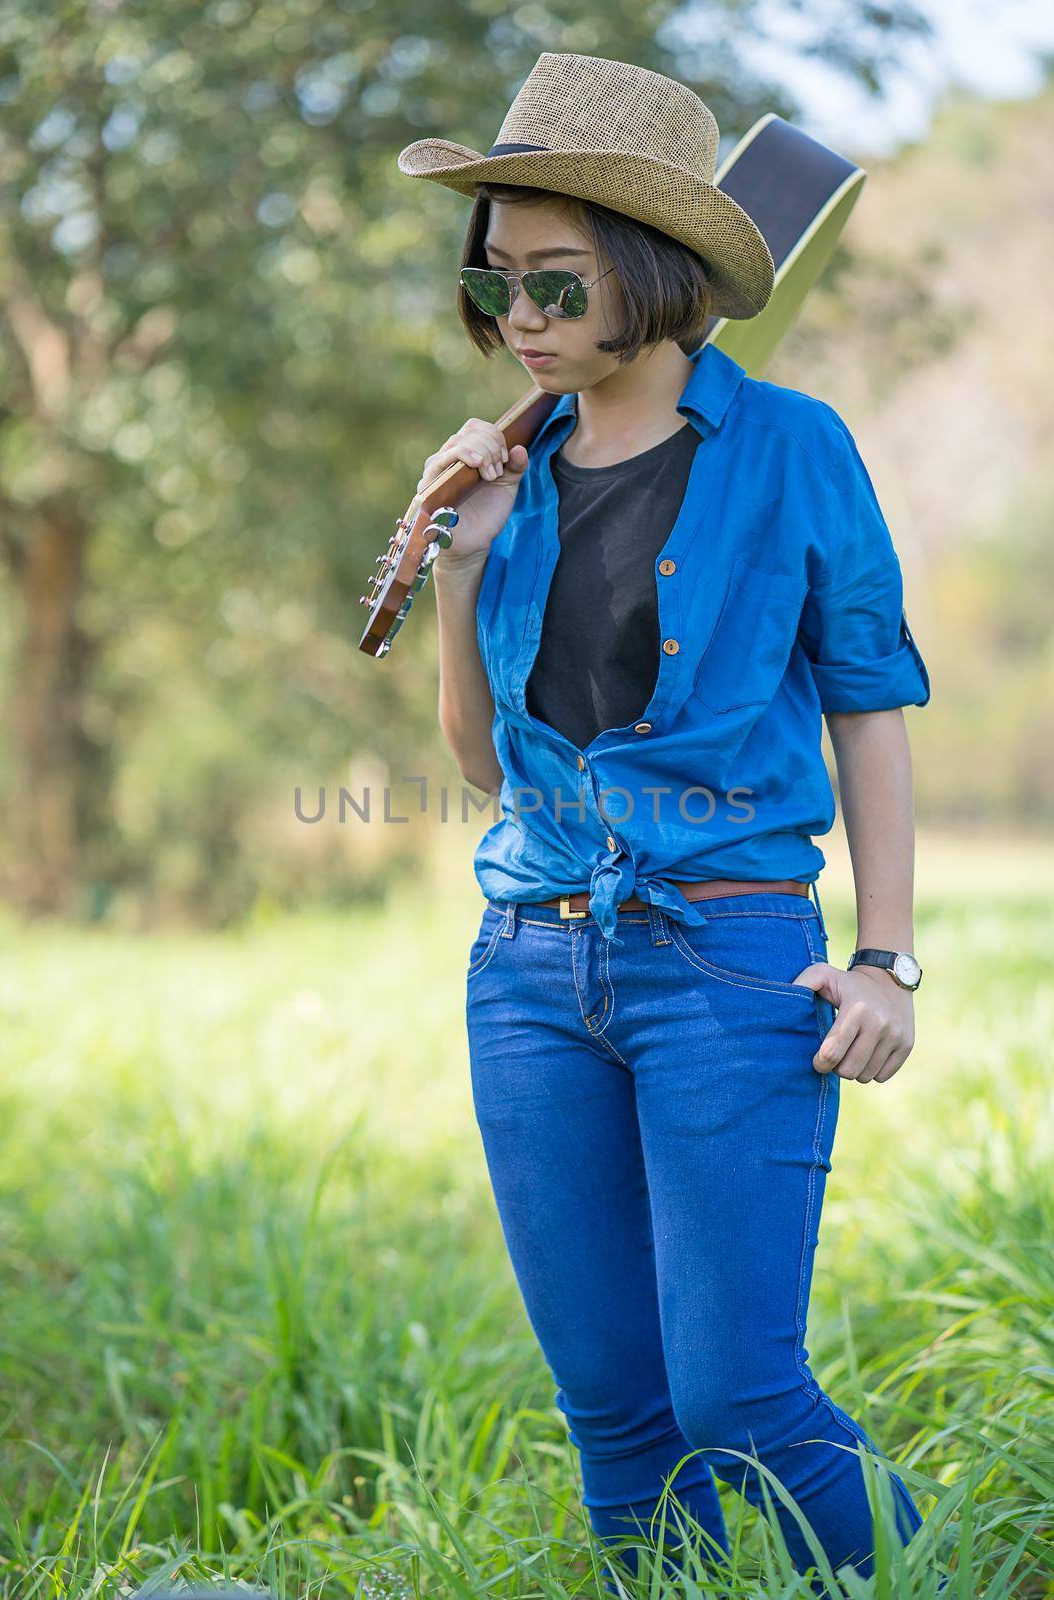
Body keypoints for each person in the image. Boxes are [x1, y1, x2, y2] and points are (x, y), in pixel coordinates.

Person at [398, 52, 931, 1593]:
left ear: (648, 272)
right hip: (527, 966)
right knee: (616, 1415)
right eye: (494, 285)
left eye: (553, 284)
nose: (519, 323)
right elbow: (494, 772)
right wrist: (456, 568)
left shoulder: (792, 450)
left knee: (738, 1399)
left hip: (728, 964)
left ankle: (951, 1569)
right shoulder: (520, 476)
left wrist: (887, 959)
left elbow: (866, 707)